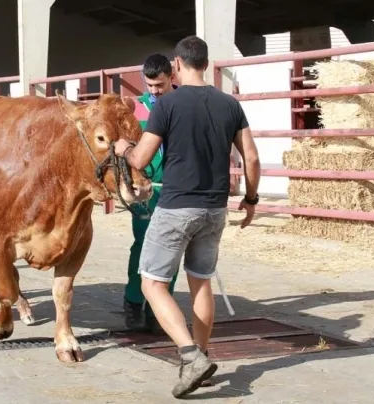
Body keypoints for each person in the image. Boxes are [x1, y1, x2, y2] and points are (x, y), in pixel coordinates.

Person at [114, 35, 261, 398]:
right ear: (206, 64)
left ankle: (190, 354)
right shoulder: (230, 104)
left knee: (152, 284)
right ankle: (204, 360)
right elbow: (252, 158)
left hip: (177, 206)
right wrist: (251, 199)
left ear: (177, 65)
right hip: (215, 208)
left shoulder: (167, 104)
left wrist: (124, 148)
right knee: (201, 282)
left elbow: (141, 159)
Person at [124, 53, 180, 333]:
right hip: (147, 188)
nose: (155, 91)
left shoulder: (184, 104)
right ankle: (133, 301)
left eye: (160, 85)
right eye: (150, 85)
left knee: (172, 248)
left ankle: (159, 308)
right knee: (143, 244)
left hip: (177, 188)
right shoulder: (135, 109)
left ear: (172, 77)